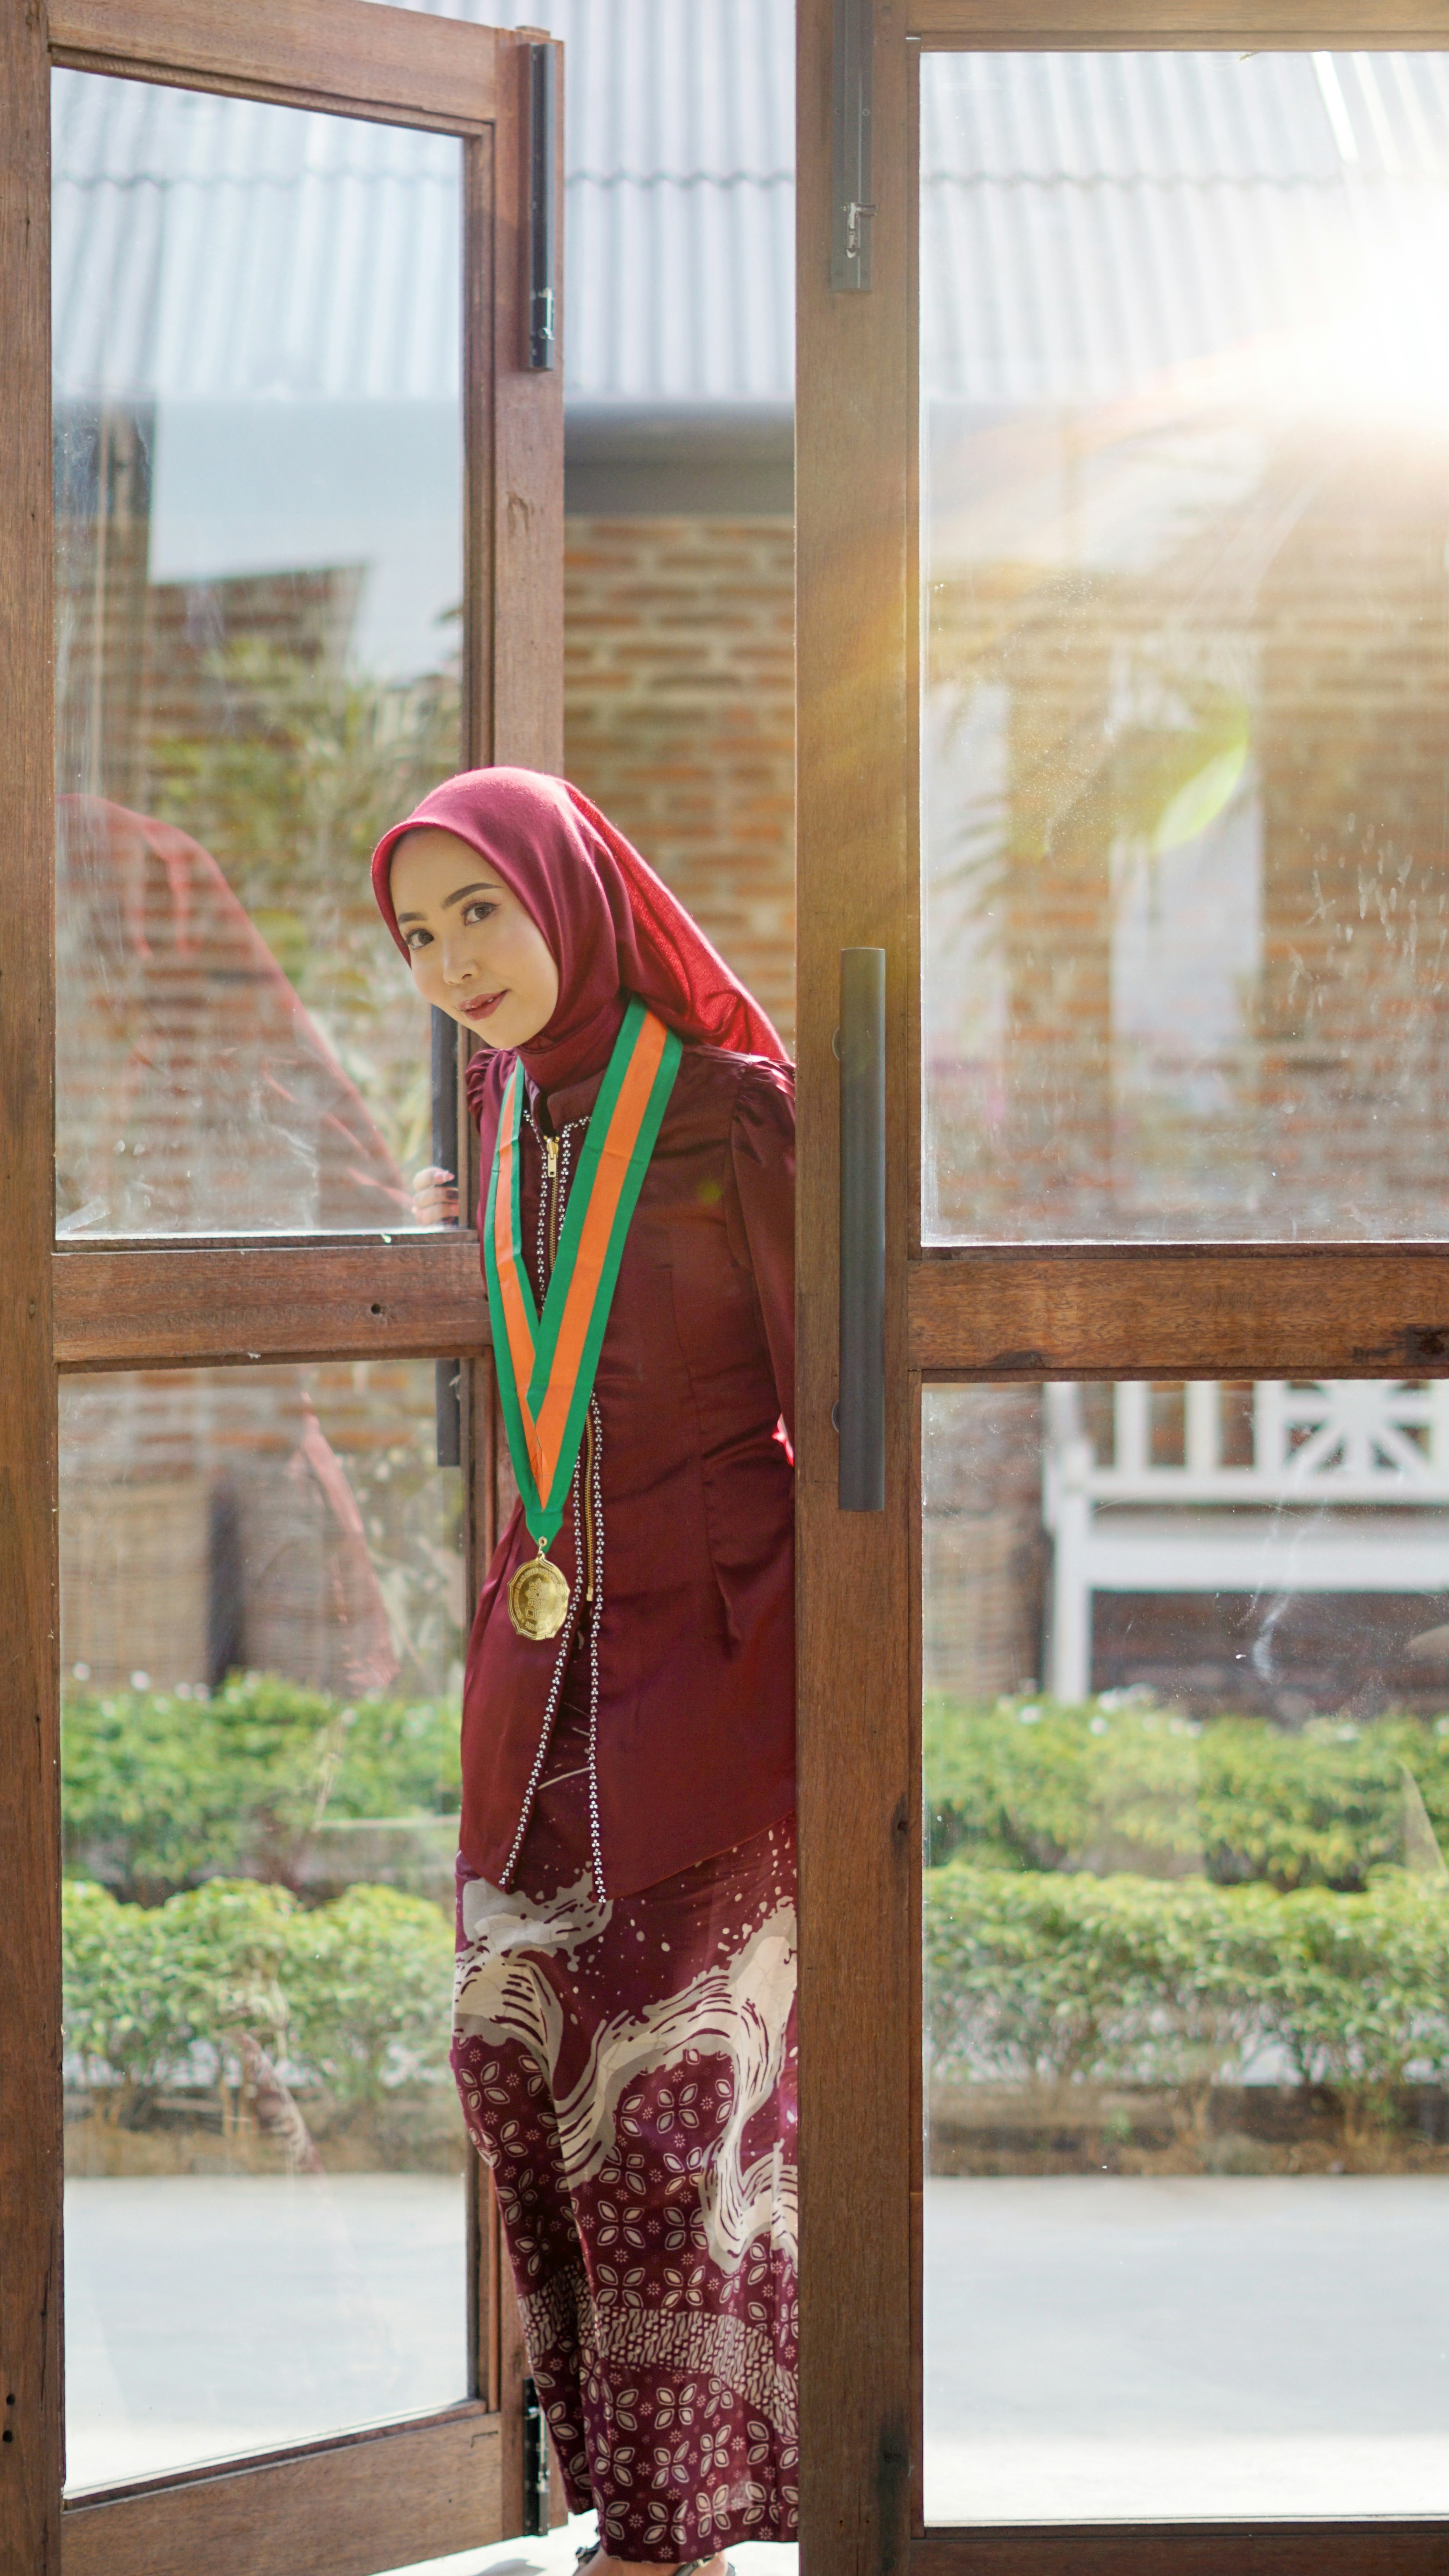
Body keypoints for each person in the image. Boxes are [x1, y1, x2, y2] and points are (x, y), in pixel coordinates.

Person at [370, 769, 797, 2576]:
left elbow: (838, 1415)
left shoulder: (729, 1114)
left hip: (715, 1667)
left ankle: (678, 2530)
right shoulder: (491, 1114)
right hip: (535, 1682)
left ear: (573, 891)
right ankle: (624, 2489)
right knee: (509, 2069)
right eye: (419, 936)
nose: (456, 961)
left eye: (483, 911)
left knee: (678, 2109)